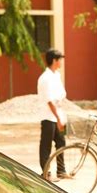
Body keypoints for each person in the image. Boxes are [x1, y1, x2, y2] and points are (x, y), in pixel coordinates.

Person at [37, 49, 68, 182]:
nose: (61, 61)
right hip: (48, 116)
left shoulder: (57, 75)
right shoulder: (46, 78)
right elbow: (49, 101)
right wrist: (58, 118)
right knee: (46, 145)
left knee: (61, 142)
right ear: (54, 61)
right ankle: (46, 173)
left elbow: (60, 95)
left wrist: (61, 116)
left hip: (58, 115)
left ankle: (61, 170)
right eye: (59, 59)